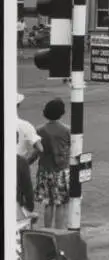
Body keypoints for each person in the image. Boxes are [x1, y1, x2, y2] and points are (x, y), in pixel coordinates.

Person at [35, 98, 71, 229]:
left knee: (47, 204)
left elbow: (36, 152)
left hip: (44, 170)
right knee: (60, 204)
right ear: (61, 113)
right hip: (61, 171)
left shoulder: (39, 130)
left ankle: (47, 231)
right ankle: (59, 232)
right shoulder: (67, 130)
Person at [17, 94, 43, 164]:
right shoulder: (25, 125)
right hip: (18, 162)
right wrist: (26, 163)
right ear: (18, 105)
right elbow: (39, 148)